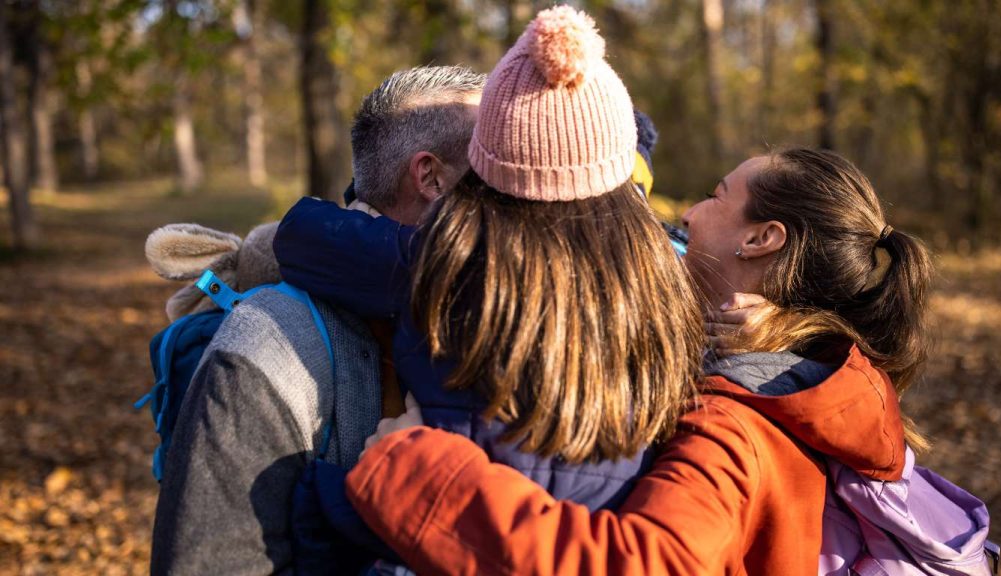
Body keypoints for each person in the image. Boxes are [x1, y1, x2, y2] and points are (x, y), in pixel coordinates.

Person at [339, 148, 967, 575]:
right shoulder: (816, 371)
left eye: (715, 197)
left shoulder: (737, 420)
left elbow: (647, 561)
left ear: (760, 239)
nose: (688, 214)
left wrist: (417, 473)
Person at [272, 3, 706, 548]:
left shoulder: (446, 260)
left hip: (461, 535)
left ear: (489, 159)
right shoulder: (668, 271)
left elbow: (302, 236)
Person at [148, 65, 486, 575]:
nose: (516, 182)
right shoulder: (267, 345)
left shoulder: (494, 317)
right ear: (431, 177)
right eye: (491, 166)